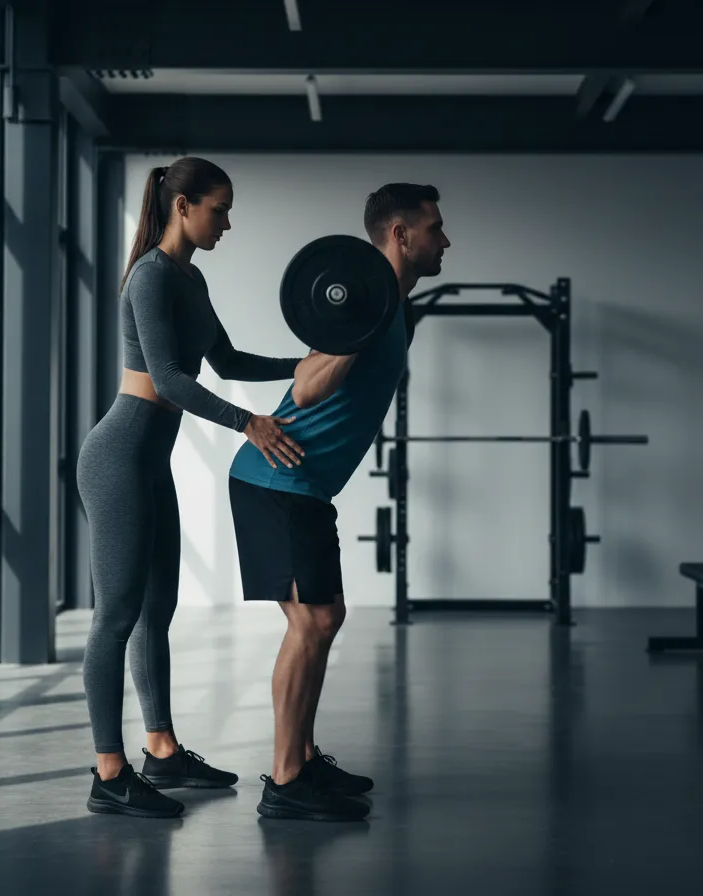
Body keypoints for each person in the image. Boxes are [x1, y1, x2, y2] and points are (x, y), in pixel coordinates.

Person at [78, 157, 307, 819]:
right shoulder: (151, 275)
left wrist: (311, 362)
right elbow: (170, 380)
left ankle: (162, 750)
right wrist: (248, 425)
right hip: (119, 458)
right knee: (116, 616)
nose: (227, 224)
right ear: (183, 206)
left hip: (150, 463)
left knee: (157, 610)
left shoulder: (189, 277)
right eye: (220, 209)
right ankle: (109, 773)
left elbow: (227, 361)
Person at [227, 183, 451, 821]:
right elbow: (307, 386)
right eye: (434, 228)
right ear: (400, 235)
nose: (445, 240)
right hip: (277, 482)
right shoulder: (367, 302)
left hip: (301, 485)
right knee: (313, 622)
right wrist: (357, 329)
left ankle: (301, 759)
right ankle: (285, 781)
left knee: (323, 620)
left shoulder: (388, 304)